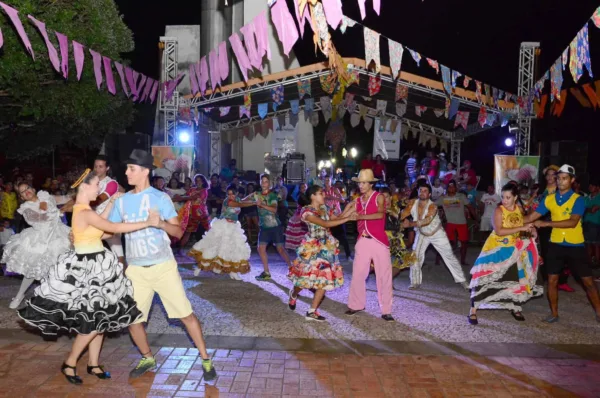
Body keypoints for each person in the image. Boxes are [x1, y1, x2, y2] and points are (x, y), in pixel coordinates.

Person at [18, 169, 157, 385]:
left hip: (97, 264)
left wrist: (111, 204)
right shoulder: (83, 212)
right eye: (96, 186)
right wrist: (148, 222)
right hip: (88, 270)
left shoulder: (83, 210)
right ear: (84, 187)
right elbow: (111, 227)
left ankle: (93, 363)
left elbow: (103, 232)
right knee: (92, 323)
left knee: (99, 319)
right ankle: (70, 363)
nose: (99, 189)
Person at [108, 150, 217, 379]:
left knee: (185, 315)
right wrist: (85, 234)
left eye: (131, 169)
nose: (127, 173)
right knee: (133, 319)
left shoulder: (161, 198)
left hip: (163, 266)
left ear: (145, 171)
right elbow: (110, 230)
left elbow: (178, 231)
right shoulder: (123, 201)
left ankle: (206, 360)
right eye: (127, 168)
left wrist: (160, 224)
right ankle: (147, 357)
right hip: (136, 270)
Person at [524, 165, 600, 324]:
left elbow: (573, 222)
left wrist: (546, 224)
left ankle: (599, 311)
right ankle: (554, 313)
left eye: (564, 178)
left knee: (588, 282)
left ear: (572, 180)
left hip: (576, 245)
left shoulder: (578, 199)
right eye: (558, 178)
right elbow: (532, 217)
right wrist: (510, 222)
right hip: (556, 244)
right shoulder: (549, 198)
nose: (560, 181)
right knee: (552, 280)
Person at [468, 183, 542, 325]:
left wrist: (531, 228)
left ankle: (514, 306)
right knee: (487, 277)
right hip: (497, 248)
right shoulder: (499, 210)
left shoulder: (519, 209)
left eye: (508, 197)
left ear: (515, 197)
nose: (505, 200)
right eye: (503, 197)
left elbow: (522, 223)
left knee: (514, 277)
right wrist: (522, 227)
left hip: (514, 249)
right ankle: (473, 309)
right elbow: (499, 231)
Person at [2, 184, 71, 309]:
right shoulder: (26, 209)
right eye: (22, 192)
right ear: (22, 197)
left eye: (27, 188)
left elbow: (66, 198)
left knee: (62, 267)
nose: (26, 191)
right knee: (32, 270)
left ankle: (60, 296)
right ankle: (19, 295)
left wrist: (79, 194)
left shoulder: (46, 196)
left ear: (33, 189)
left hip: (58, 235)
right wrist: (59, 211)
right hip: (40, 239)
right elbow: (41, 218)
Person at [287, 185, 350, 322]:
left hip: (327, 247)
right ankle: (294, 293)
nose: (324, 195)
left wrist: (351, 208)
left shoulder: (325, 208)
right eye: (321, 193)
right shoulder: (306, 212)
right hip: (312, 247)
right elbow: (325, 223)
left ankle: (312, 311)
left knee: (324, 279)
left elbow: (337, 217)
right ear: (312, 196)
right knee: (303, 280)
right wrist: (347, 218)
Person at [344, 169, 395, 321]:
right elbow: (343, 216)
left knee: (384, 276)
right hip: (363, 241)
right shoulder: (357, 201)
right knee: (358, 274)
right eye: (359, 182)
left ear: (371, 183)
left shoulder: (379, 197)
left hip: (379, 241)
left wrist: (359, 216)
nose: (361, 185)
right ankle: (356, 305)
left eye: (364, 182)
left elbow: (380, 214)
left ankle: (386, 310)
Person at [401, 184, 469, 290]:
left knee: (449, 256)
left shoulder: (433, 206)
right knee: (415, 257)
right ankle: (415, 282)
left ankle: (462, 280)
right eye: (420, 190)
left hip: (437, 233)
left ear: (429, 194)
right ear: (418, 192)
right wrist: (399, 219)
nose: (422, 192)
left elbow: (426, 221)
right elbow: (404, 213)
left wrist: (410, 224)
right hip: (422, 234)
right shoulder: (412, 202)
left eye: (425, 190)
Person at [189, 185, 254, 280]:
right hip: (223, 226)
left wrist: (252, 195)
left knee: (234, 248)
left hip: (234, 226)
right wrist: (255, 202)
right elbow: (241, 204)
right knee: (213, 246)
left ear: (236, 194)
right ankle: (200, 267)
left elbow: (242, 201)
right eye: (229, 194)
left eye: (232, 194)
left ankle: (233, 271)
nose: (230, 196)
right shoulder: (228, 201)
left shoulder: (237, 199)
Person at [245, 174, 292, 281]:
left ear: (269, 184)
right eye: (262, 181)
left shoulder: (273, 195)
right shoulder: (256, 194)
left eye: (266, 181)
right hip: (264, 226)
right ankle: (266, 272)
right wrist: (235, 201)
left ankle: (292, 268)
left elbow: (274, 210)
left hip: (275, 226)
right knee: (260, 248)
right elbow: (243, 201)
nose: (264, 183)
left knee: (280, 249)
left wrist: (261, 205)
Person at [92, 155, 125, 264]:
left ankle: (124, 278)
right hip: (94, 221)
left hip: (109, 221)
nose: (97, 169)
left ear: (107, 168)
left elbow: (99, 200)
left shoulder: (111, 183)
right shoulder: (91, 182)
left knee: (118, 254)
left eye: (101, 166)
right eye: (96, 166)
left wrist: (80, 202)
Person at [435, 181, 477, 265]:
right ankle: (438, 257)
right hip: (450, 223)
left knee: (464, 243)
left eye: (453, 187)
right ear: (447, 188)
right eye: (450, 187)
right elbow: (432, 206)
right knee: (449, 243)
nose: (451, 188)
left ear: (456, 188)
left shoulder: (461, 196)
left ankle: (462, 261)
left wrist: (476, 218)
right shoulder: (443, 198)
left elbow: (470, 207)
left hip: (462, 223)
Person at [380, 187, 412, 277]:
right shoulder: (380, 209)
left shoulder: (396, 206)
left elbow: (409, 203)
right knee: (379, 264)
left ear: (390, 197)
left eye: (386, 197)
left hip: (397, 240)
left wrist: (405, 219)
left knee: (399, 264)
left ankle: (387, 281)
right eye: (381, 198)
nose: (384, 200)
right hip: (385, 238)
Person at [178, 174, 211, 254]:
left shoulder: (204, 190)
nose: (198, 182)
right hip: (193, 213)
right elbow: (186, 195)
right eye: (196, 180)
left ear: (203, 181)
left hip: (202, 213)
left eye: (200, 180)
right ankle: (180, 251)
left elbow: (194, 197)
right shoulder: (192, 189)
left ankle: (213, 249)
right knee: (188, 232)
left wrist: (181, 198)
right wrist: (178, 197)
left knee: (209, 230)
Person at [324, 177, 352, 260]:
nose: (326, 182)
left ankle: (348, 255)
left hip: (337, 216)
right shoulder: (322, 191)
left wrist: (333, 197)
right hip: (327, 216)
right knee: (327, 236)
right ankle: (328, 256)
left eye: (328, 180)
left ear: (330, 181)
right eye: (325, 180)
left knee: (343, 236)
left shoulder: (335, 190)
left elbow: (343, 200)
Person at [285, 183, 309, 251]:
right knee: (299, 232)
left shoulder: (306, 195)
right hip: (300, 215)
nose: (304, 188)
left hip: (305, 214)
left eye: (305, 187)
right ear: (300, 189)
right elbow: (305, 204)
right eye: (302, 187)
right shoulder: (301, 196)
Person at [584, 180, 600, 269]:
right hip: (586, 223)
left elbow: (593, 210)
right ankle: (590, 263)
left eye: (593, 185)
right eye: (589, 185)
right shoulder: (587, 197)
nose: (590, 187)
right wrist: (588, 209)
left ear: (597, 187)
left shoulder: (599, 197)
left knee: (595, 244)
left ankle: (597, 263)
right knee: (588, 244)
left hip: (595, 223)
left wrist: (586, 209)